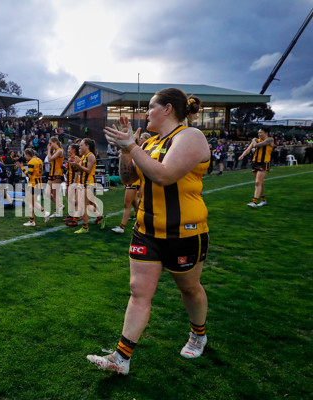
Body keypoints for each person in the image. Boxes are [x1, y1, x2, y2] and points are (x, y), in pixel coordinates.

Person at [87, 88, 210, 374]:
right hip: (146, 229)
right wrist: (123, 148)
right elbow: (130, 177)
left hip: (184, 232)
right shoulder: (151, 141)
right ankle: (121, 358)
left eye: (151, 108)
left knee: (189, 289)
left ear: (167, 109)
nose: (145, 114)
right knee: (138, 292)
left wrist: (132, 146)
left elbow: (164, 175)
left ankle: (198, 334)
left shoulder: (190, 136)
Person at [111, 132, 152, 234]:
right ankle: (141, 224)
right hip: (131, 181)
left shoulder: (141, 150)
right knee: (136, 206)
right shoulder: (135, 149)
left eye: (142, 137)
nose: (140, 138)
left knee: (127, 204)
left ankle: (122, 227)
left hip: (134, 181)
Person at [69, 138, 103, 233]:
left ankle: (85, 227)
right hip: (85, 183)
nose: (79, 147)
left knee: (85, 205)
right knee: (89, 204)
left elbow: (88, 170)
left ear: (87, 146)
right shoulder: (84, 156)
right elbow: (80, 170)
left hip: (90, 183)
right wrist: (74, 165)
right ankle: (100, 217)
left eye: (81, 145)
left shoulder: (91, 156)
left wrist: (77, 165)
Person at [239, 127, 274, 208]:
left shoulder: (270, 140)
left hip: (264, 163)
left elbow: (256, 145)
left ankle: (254, 202)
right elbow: (248, 149)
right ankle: (263, 200)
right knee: (259, 182)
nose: (259, 134)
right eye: (258, 133)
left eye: (261, 132)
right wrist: (242, 155)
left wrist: (253, 141)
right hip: (255, 163)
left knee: (257, 182)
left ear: (266, 133)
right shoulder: (256, 140)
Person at [15, 148, 47, 226]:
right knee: (32, 202)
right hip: (39, 183)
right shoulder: (39, 160)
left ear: (28, 154)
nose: (24, 156)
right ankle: (44, 213)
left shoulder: (31, 162)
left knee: (30, 203)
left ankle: (32, 221)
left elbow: (28, 175)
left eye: (25, 155)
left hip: (33, 184)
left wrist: (22, 167)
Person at [44, 137, 65, 221]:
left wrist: (49, 150)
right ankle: (59, 206)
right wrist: (50, 150)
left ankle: (57, 211)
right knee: (47, 193)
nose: (49, 145)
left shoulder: (60, 150)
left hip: (57, 174)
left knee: (54, 194)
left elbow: (49, 159)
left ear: (55, 142)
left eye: (50, 143)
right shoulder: (55, 151)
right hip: (51, 174)